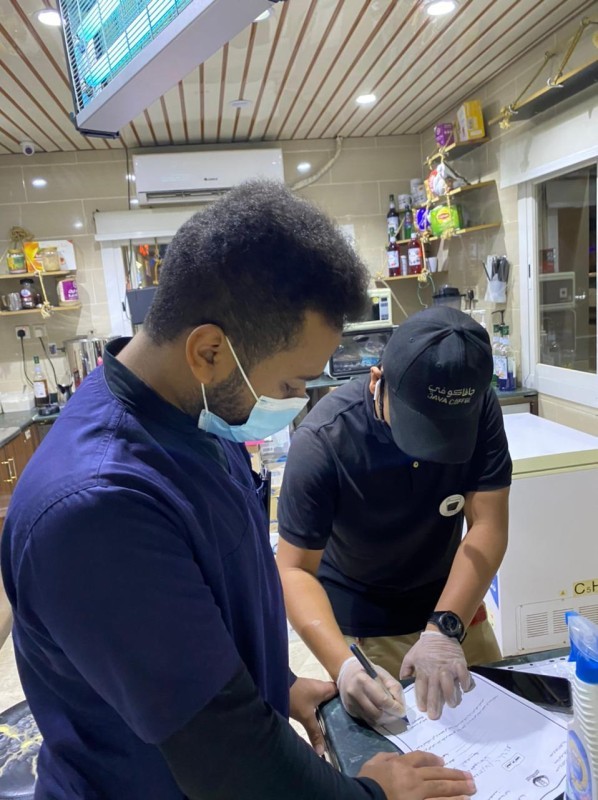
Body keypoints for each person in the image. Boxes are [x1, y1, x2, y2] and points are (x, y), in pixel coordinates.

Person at [1, 182, 476, 800]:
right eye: (291, 382)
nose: (298, 400)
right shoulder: (98, 508)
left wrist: (280, 686)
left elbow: (200, 616)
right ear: (209, 351)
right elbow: (226, 758)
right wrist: (372, 794)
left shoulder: (196, 417)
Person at [277, 307, 512, 725]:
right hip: (366, 614)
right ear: (377, 381)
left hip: (453, 600)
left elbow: (488, 525)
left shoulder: (479, 408)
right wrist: (344, 666)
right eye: (418, 426)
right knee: (398, 745)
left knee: (497, 719)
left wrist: (444, 628)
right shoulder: (324, 441)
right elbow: (294, 569)